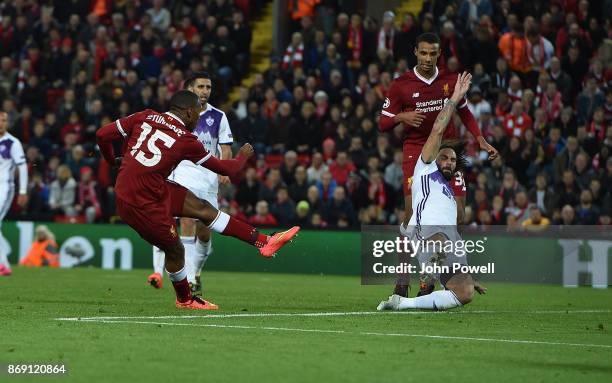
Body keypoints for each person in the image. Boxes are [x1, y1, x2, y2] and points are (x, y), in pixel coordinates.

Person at [95, 90, 300, 310]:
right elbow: (224, 168)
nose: (198, 121)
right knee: (176, 250)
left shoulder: (145, 115)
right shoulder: (185, 139)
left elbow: (101, 135)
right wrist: (243, 156)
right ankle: (184, 299)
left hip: (148, 187)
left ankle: (264, 242)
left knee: (203, 208)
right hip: (139, 203)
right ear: (189, 112)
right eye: (198, 116)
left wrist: (111, 161)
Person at [378, 32, 498, 297]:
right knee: (411, 216)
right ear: (415, 52)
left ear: (439, 54)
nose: (428, 59)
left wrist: (480, 140)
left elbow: (464, 111)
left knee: (457, 217)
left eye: (433, 54)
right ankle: (403, 279)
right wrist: (401, 116)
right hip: (416, 153)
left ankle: (435, 276)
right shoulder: (401, 85)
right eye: (423, 53)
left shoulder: (449, 80)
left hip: (449, 152)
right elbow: (382, 123)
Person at [148, 72, 234, 301]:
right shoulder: (179, 115)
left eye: (209, 87)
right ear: (190, 89)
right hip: (182, 173)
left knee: (205, 232)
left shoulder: (219, 116)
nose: (205, 91)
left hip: (207, 179)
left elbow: (225, 147)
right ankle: (188, 281)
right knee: (186, 220)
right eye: (201, 86)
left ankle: (196, 271)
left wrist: (224, 168)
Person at [0, 111, 28, 276]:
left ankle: (3, 264)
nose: (1, 123)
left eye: (3, 120)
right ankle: (4, 265)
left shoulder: (13, 142)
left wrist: (23, 190)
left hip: (4, 188)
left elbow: (22, 167)